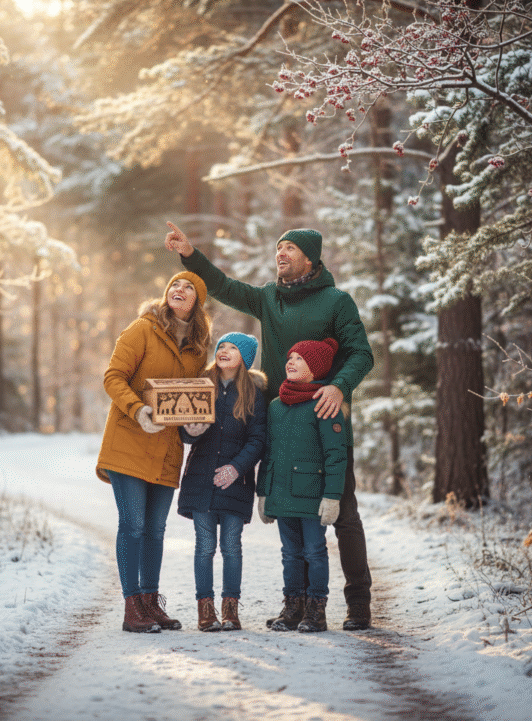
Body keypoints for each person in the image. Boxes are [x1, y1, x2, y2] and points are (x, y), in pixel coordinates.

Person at [165, 221, 375, 630]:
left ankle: (359, 604)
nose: (281, 254)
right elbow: (223, 286)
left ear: (310, 258)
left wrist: (338, 388)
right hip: (280, 424)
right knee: (290, 522)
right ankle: (296, 604)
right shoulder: (267, 299)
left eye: (291, 249)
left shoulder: (337, 302)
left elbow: (361, 354)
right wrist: (190, 255)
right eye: (279, 248)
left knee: (343, 514)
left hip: (324, 420)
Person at [96, 271, 211, 633]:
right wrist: (138, 410)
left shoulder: (198, 347)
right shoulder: (142, 329)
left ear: (197, 302)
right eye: (175, 284)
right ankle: (132, 608)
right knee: (132, 526)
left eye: (189, 287)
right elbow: (113, 377)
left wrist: (194, 425)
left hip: (165, 449)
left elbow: (188, 399)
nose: (179, 289)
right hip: (130, 439)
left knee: (156, 530)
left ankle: (150, 602)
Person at [177, 332, 267, 632]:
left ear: (246, 357)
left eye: (233, 348)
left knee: (231, 546)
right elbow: (187, 434)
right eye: (221, 347)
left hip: (235, 484)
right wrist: (191, 429)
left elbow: (257, 440)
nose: (224, 351)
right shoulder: (201, 385)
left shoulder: (254, 393)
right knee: (204, 546)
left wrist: (236, 469)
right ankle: (206, 610)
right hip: (201, 478)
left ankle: (230, 610)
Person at [257, 338, 347, 632]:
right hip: (282, 494)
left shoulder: (325, 403)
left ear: (316, 368)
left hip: (311, 495)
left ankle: (316, 610)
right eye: (290, 357)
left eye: (299, 358)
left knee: (314, 551)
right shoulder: (275, 406)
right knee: (290, 553)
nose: (291, 362)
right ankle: (293, 607)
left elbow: (336, 454)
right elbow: (268, 453)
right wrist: (264, 492)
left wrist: (332, 496)